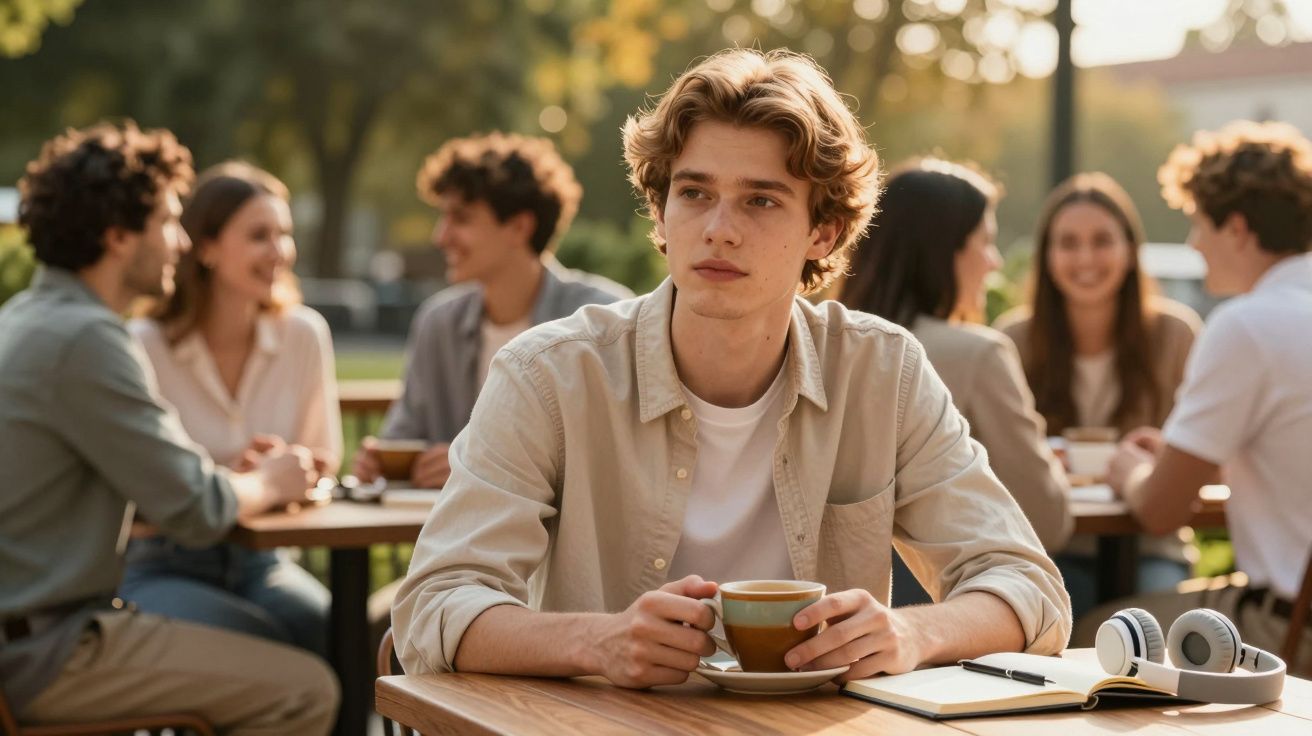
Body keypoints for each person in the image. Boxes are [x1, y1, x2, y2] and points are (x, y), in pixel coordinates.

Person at [392, 49, 1070, 687]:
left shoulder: (881, 372)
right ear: (661, 211)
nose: (719, 228)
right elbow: (433, 605)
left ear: (823, 232)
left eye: (760, 200)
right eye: (694, 193)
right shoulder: (549, 374)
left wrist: (910, 633)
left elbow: (1029, 588)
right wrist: (598, 641)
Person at [0, 122, 337, 731]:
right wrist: (269, 480)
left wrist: (221, 478)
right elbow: (198, 508)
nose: (181, 243)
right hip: (50, 650)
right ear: (118, 236)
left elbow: (164, 487)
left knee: (313, 631)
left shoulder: (30, 317)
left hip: (38, 632)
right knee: (305, 690)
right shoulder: (86, 339)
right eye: (168, 221)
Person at [1087, 121, 1312, 674]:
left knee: (1085, 631)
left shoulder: (1248, 326)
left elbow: (1160, 510)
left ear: (1237, 228)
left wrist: (1131, 472)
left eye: (1198, 224)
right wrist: (1189, 455)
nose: (1193, 244)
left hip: (1290, 630)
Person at [118, 161, 339, 658]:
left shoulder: (304, 334)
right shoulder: (143, 344)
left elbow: (323, 463)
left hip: (263, 561)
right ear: (207, 247)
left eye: (284, 234)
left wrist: (291, 471)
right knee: (265, 645)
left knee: (335, 632)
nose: (280, 251)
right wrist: (245, 482)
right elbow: (138, 493)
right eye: (260, 235)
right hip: (160, 564)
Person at [839, 159, 1072, 608]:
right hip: (951, 611)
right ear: (942, 250)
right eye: (985, 242)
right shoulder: (979, 354)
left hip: (832, 607)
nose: (994, 262)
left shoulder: (825, 348)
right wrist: (1055, 466)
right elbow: (1047, 519)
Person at [352, 132, 631, 489]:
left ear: (519, 227)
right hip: (450, 526)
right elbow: (404, 437)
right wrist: (383, 465)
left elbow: (618, 462)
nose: (441, 236)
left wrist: (475, 465)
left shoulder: (604, 319)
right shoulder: (438, 323)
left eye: (461, 219)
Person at [995, 173, 1201, 617]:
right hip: (1049, 546)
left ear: (1130, 251)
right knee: (1050, 621)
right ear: (1047, 256)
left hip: (1150, 546)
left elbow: (1198, 453)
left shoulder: (1175, 335)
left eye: (1102, 241)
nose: (1085, 257)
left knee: (1151, 628)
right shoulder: (1012, 340)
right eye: (1068, 243)